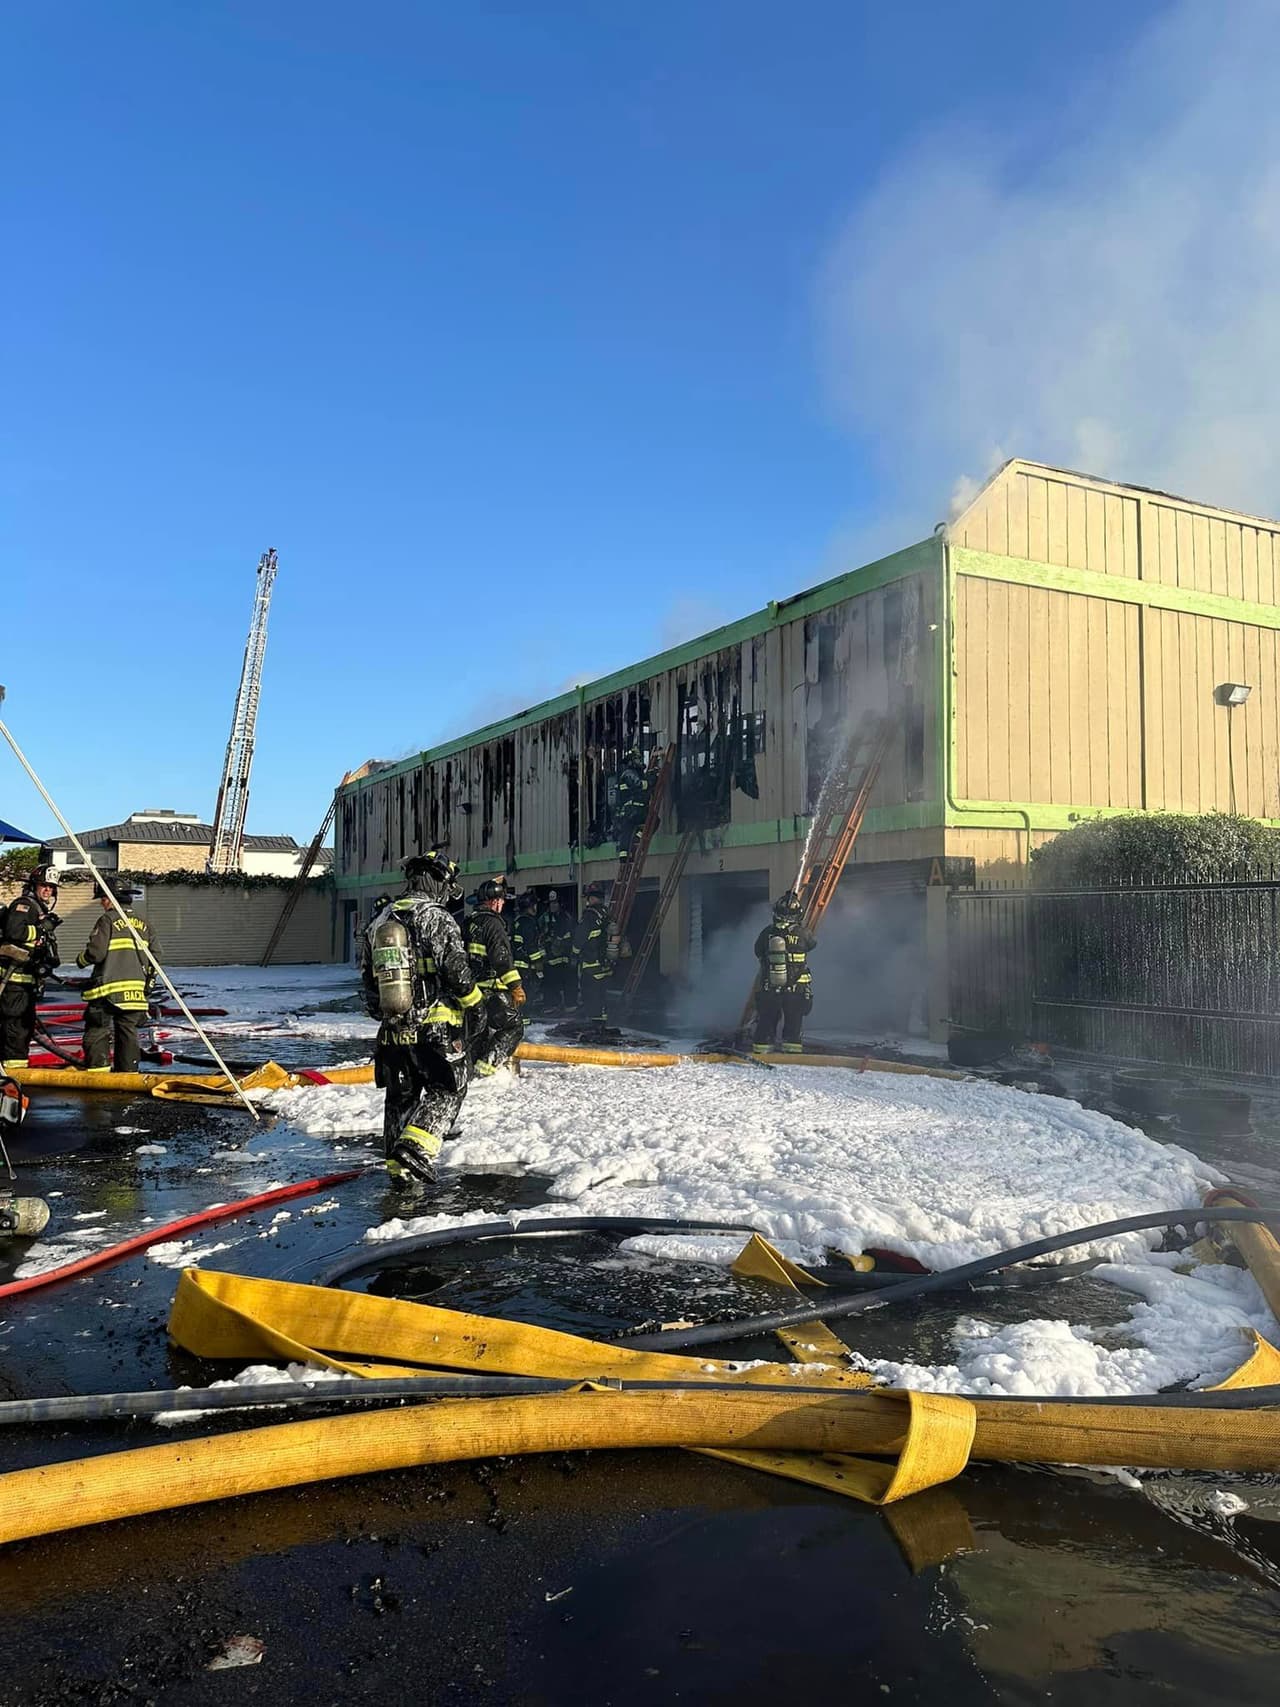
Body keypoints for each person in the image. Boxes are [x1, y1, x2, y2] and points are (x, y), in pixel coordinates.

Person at [362, 851, 484, 1183]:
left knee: (400, 1096)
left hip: (392, 1030)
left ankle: (398, 1172)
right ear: (439, 881)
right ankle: (415, 1152)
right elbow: (456, 970)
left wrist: (387, 1014)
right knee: (449, 1088)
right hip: (435, 1026)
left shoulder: (381, 919)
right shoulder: (435, 916)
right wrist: (476, 1004)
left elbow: (367, 976)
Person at [76, 882, 159, 1073]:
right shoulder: (145, 922)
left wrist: (80, 960)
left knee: (97, 1028)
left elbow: (95, 953)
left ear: (111, 899)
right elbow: (156, 954)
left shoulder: (107, 920)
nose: (101, 904)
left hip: (108, 990)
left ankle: (98, 1073)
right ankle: (128, 1073)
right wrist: (149, 982)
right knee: (127, 1032)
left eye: (103, 899)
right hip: (135, 992)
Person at [0, 864, 62, 1073]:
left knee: (24, 1028)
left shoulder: (39, 909)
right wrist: (39, 930)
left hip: (27, 981)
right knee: (15, 1030)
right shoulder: (24, 905)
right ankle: (12, 1075)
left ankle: (16, 1071)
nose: (48, 890)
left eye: (52, 887)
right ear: (34, 885)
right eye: (44, 885)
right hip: (14, 981)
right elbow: (14, 931)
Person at [464, 876, 525, 1075]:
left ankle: (473, 1071)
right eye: (501, 900)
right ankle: (486, 1070)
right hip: (492, 989)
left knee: (479, 1034)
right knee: (513, 1027)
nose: (503, 903)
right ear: (494, 901)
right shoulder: (493, 924)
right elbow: (501, 959)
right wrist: (516, 986)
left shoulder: (468, 924)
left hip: (471, 992)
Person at [752, 890, 816, 1055]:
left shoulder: (767, 932)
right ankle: (791, 1053)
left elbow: (758, 951)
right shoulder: (803, 933)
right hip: (796, 988)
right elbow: (812, 944)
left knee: (766, 1022)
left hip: (770, 987)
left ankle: (763, 1050)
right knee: (793, 1024)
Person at [574, 880, 614, 1024]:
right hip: (605, 965)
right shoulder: (606, 914)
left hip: (591, 965)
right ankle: (602, 1021)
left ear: (590, 898)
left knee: (590, 996)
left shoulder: (589, 916)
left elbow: (579, 939)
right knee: (601, 995)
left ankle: (595, 1025)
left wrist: (574, 954)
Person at [539, 889, 576, 1013]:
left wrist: (563, 943)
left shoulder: (567, 917)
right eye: (551, 903)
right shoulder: (544, 918)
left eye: (555, 903)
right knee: (550, 982)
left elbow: (572, 935)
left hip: (565, 957)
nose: (553, 906)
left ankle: (570, 1005)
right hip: (550, 957)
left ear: (560, 904)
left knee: (569, 980)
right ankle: (551, 1006)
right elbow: (539, 936)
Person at [614, 749, 650, 865]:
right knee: (654, 821)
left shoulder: (624, 775)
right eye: (637, 759)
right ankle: (638, 837)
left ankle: (624, 856)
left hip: (626, 812)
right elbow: (639, 785)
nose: (639, 761)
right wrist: (652, 779)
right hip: (636, 810)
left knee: (626, 833)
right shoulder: (630, 774)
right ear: (631, 761)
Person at [510, 892, 545, 1008]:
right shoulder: (529, 923)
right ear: (530, 906)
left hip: (517, 966)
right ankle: (526, 1021)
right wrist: (538, 961)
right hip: (527, 967)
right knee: (527, 996)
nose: (536, 907)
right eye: (534, 905)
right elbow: (531, 946)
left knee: (519, 996)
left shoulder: (517, 921)